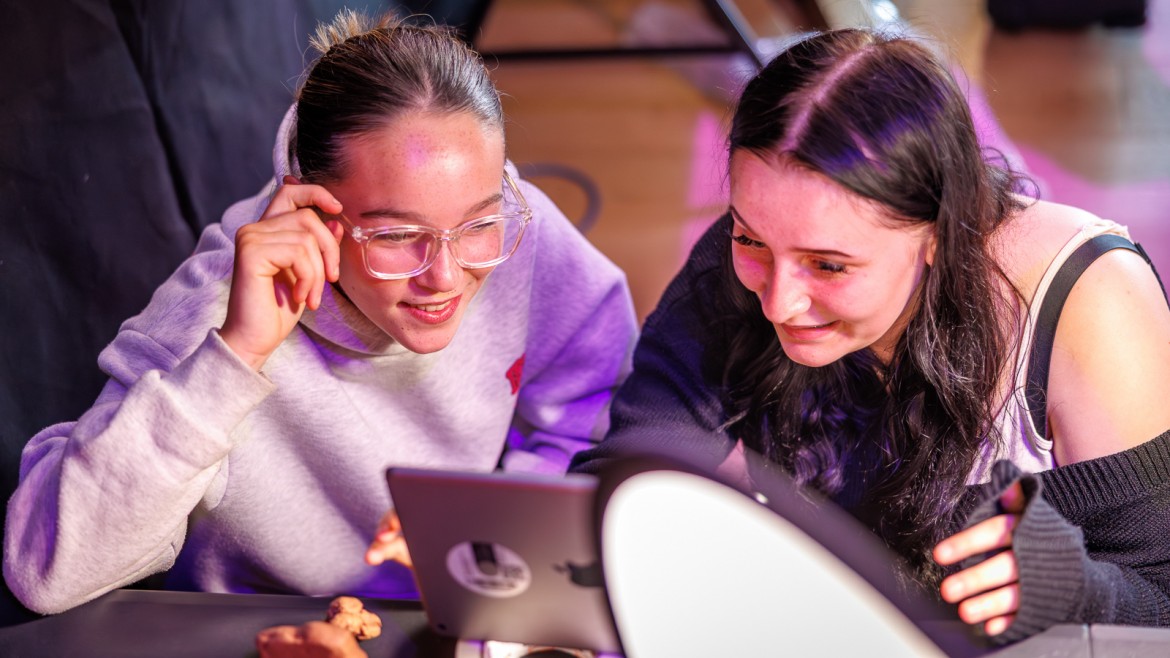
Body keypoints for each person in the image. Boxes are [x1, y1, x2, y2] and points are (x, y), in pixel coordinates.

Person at [4, 10, 637, 615]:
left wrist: (493, 528)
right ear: (313, 211)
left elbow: (595, 404)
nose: (444, 277)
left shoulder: (514, 230)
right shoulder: (214, 317)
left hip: (452, 614)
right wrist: (237, 357)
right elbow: (45, 573)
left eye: (478, 222)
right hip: (267, 632)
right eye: (394, 236)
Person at [571, 27, 1170, 644]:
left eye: (829, 265)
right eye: (749, 238)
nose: (779, 302)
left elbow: (1163, 595)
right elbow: (628, 482)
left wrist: (1076, 589)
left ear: (941, 228)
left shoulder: (1088, 301)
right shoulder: (762, 246)